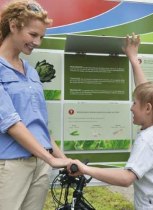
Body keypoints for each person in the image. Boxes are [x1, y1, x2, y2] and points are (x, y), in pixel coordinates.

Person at [68, 33, 153, 210]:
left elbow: (126, 178)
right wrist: (133, 58)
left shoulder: (148, 140)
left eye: (134, 103)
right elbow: (145, 93)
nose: (131, 108)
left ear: (148, 109)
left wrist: (85, 169)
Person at [0, 1, 71, 209]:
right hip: (12, 165)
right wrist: (50, 159)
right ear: (13, 26)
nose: (38, 42)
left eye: (41, 37)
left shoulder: (31, 71)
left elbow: (39, 125)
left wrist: (63, 160)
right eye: (33, 35)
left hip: (40, 164)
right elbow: (11, 123)